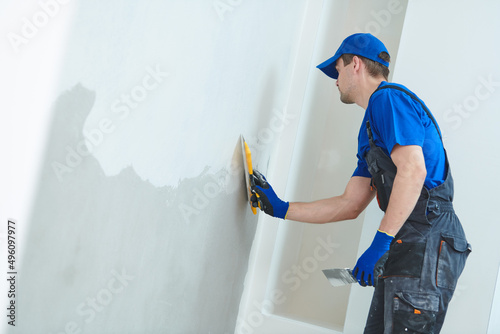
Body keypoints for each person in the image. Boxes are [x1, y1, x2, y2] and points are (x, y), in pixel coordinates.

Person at [250, 33, 471, 333]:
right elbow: (350, 203)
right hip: (409, 241)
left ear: (355, 64)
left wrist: (381, 243)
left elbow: (413, 171)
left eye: (337, 69)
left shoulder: (388, 99)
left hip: (429, 237)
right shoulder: (370, 129)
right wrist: (281, 208)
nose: (335, 80)